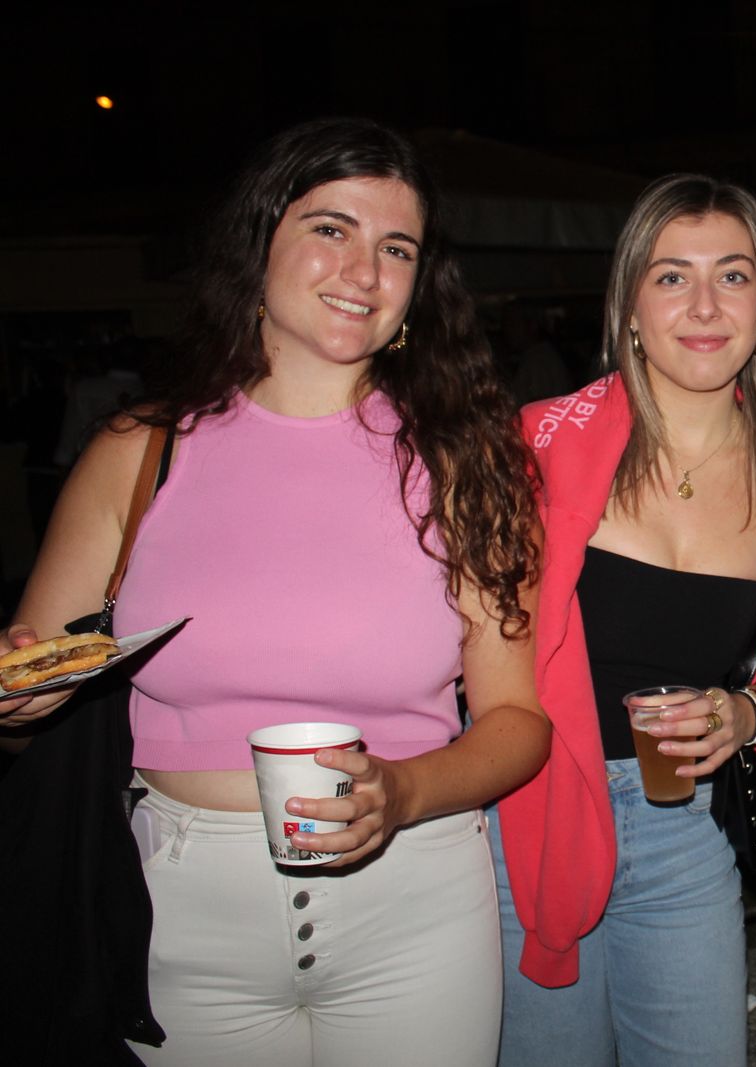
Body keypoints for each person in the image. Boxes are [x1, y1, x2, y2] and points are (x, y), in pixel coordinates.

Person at [0, 117, 550, 1065]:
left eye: (396, 248)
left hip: (416, 910)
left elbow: (517, 721)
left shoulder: (464, 464)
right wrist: (21, 695)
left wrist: (406, 788)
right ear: (262, 246)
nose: (364, 271)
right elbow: (23, 702)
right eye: (331, 228)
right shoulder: (137, 452)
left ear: (418, 288)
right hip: (177, 923)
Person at [491, 174, 756, 1066]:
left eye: (733, 274)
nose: (704, 304)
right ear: (630, 306)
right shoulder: (537, 444)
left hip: (680, 824)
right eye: (671, 275)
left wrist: (745, 712)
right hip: (528, 820)